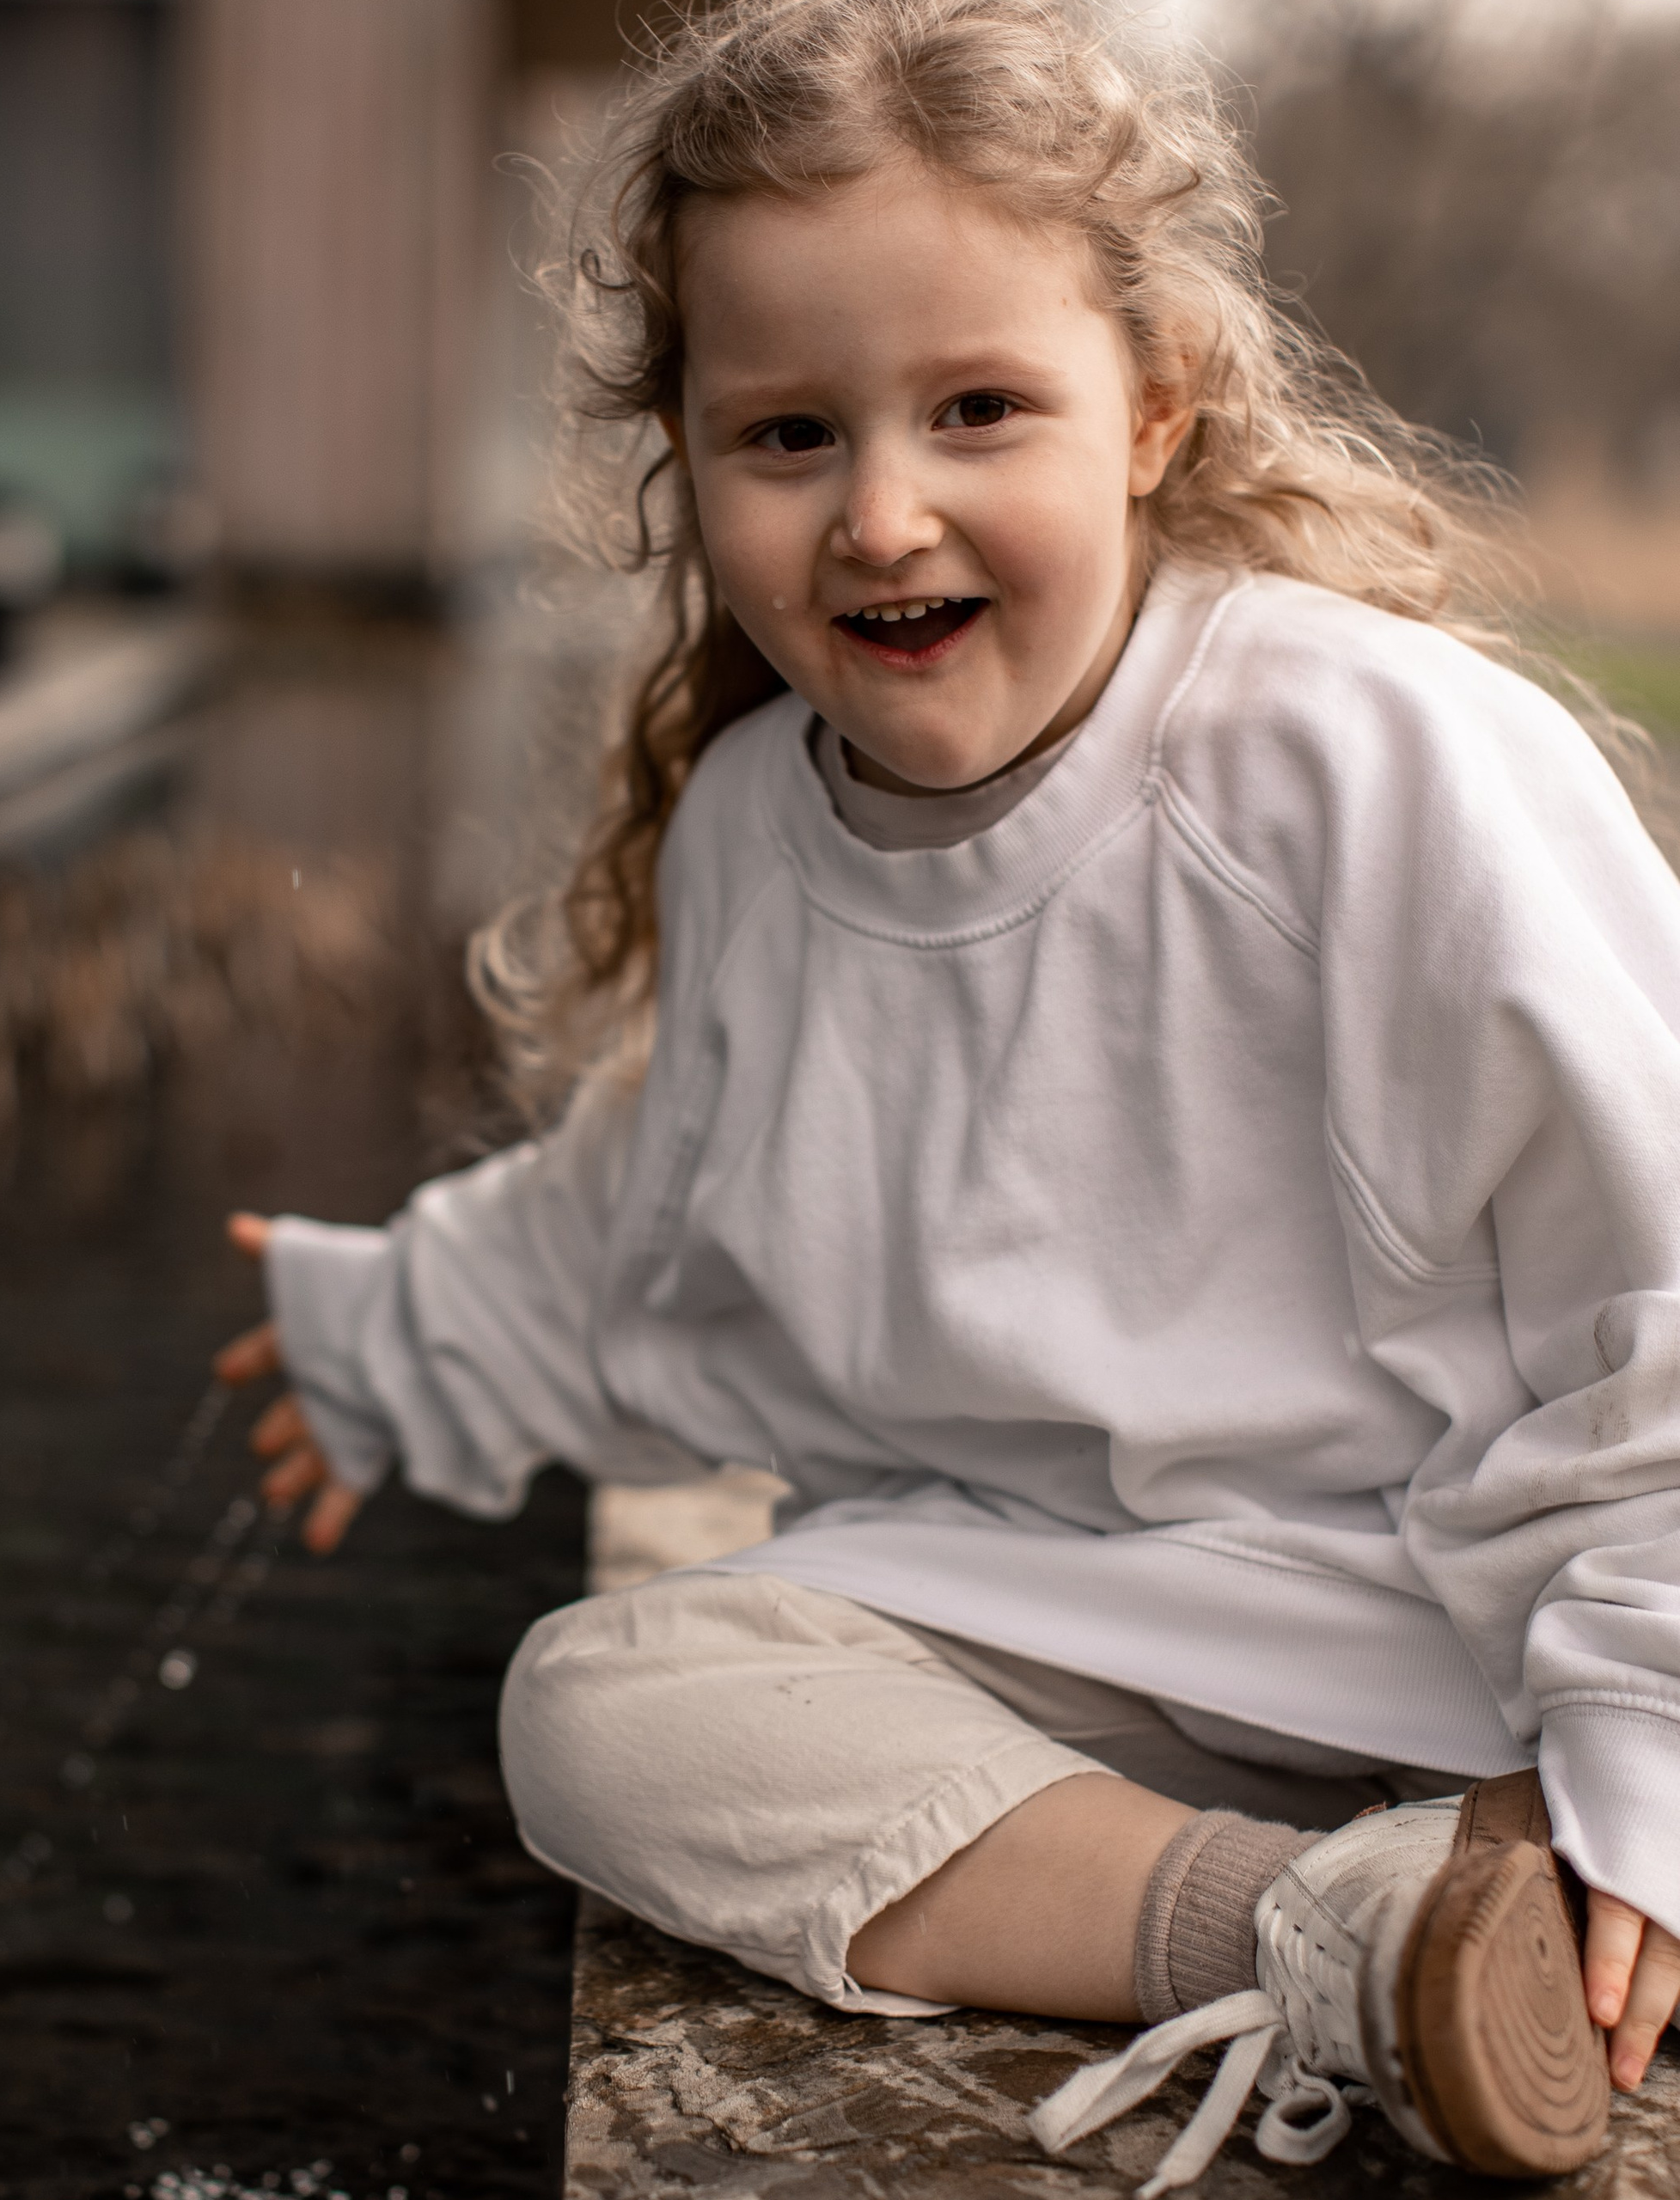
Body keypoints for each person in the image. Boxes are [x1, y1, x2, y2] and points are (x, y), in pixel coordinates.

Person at [215, 0, 1680, 2185]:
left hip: (1447, 1620)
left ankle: (1495, 1859)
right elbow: (651, 1202)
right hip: (1091, 1635)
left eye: (978, 407)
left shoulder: (1353, 760)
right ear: (688, 465)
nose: (881, 513)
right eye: (785, 435)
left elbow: (1645, 1261)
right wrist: (405, 1338)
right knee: (599, 1699)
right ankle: (1331, 1934)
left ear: (1151, 407)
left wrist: (1634, 1718)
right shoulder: (746, 831)